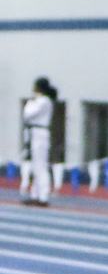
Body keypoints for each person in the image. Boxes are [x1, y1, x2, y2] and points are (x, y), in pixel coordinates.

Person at [21, 77, 57, 207]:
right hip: (35, 132)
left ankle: (43, 196)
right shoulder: (43, 101)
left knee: (40, 166)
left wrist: (30, 102)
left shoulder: (43, 101)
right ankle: (35, 195)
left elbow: (28, 114)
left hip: (39, 133)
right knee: (36, 166)